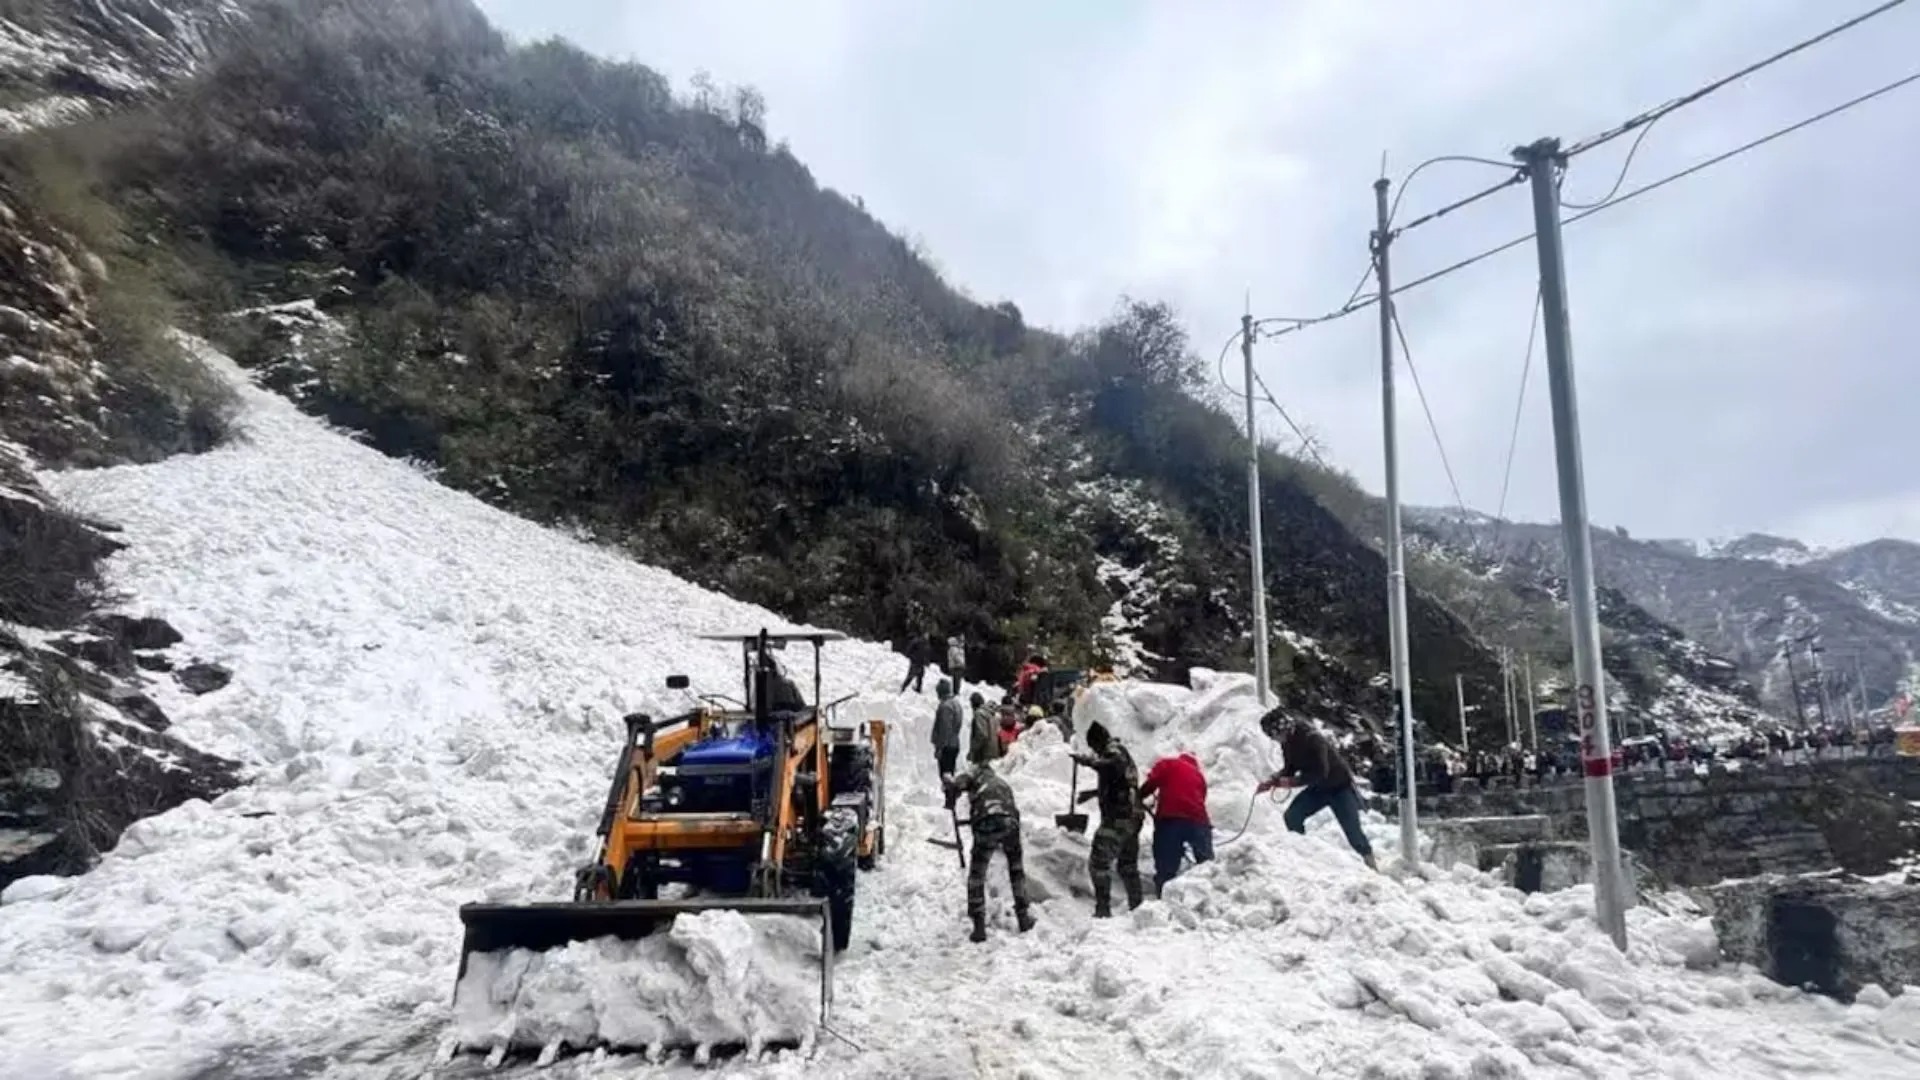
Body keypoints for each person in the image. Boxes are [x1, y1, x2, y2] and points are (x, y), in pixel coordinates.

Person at [1255, 710, 1378, 871]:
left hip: (1339, 787)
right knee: (1292, 817)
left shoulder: (1312, 738)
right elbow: (1290, 767)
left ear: (1281, 728)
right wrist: (1273, 781)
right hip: (1318, 789)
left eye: (1273, 735)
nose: (1274, 740)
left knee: (1353, 833)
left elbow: (1321, 772)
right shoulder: (1288, 742)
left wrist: (1291, 782)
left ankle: (1371, 865)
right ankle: (1304, 855)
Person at [943, 762, 1036, 942]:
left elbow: (957, 784)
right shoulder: (1001, 783)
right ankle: (1023, 918)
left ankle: (979, 926)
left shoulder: (974, 778)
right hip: (1010, 823)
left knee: (977, 874)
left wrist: (949, 784)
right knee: (1016, 872)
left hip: (986, 821)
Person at [1070, 721, 1144, 917]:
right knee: (1127, 865)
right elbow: (1120, 782)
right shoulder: (1121, 752)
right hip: (1132, 817)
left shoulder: (1114, 752)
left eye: (1094, 748)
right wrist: (1094, 793)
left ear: (1098, 742)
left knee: (1098, 863)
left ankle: (1103, 909)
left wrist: (1087, 761)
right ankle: (1138, 909)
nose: (1095, 752)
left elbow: (1113, 766)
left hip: (1118, 819)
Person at [1139, 750, 1211, 894]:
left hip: (1171, 819)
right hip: (1199, 822)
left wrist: (1139, 795)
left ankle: (1164, 896)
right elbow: (1201, 799)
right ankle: (1211, 894)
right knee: (1207, 866)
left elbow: (1153, 781)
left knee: (1166, 863)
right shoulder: (1200, 776)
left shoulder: (1169, 763)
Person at [931, 679, 964, 777]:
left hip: (946, 747)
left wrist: (940, 748)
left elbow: (945, 729)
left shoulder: (945, 706)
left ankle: (949, 792)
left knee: (945, 777)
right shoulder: (956, 704)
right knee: (950, 775)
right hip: (954, 743)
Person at [968, 691, 998, 766]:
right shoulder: (990, 713)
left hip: (983, 753)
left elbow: (982, 734)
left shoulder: (979, 714)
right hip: (992, 751)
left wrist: (973, 750)